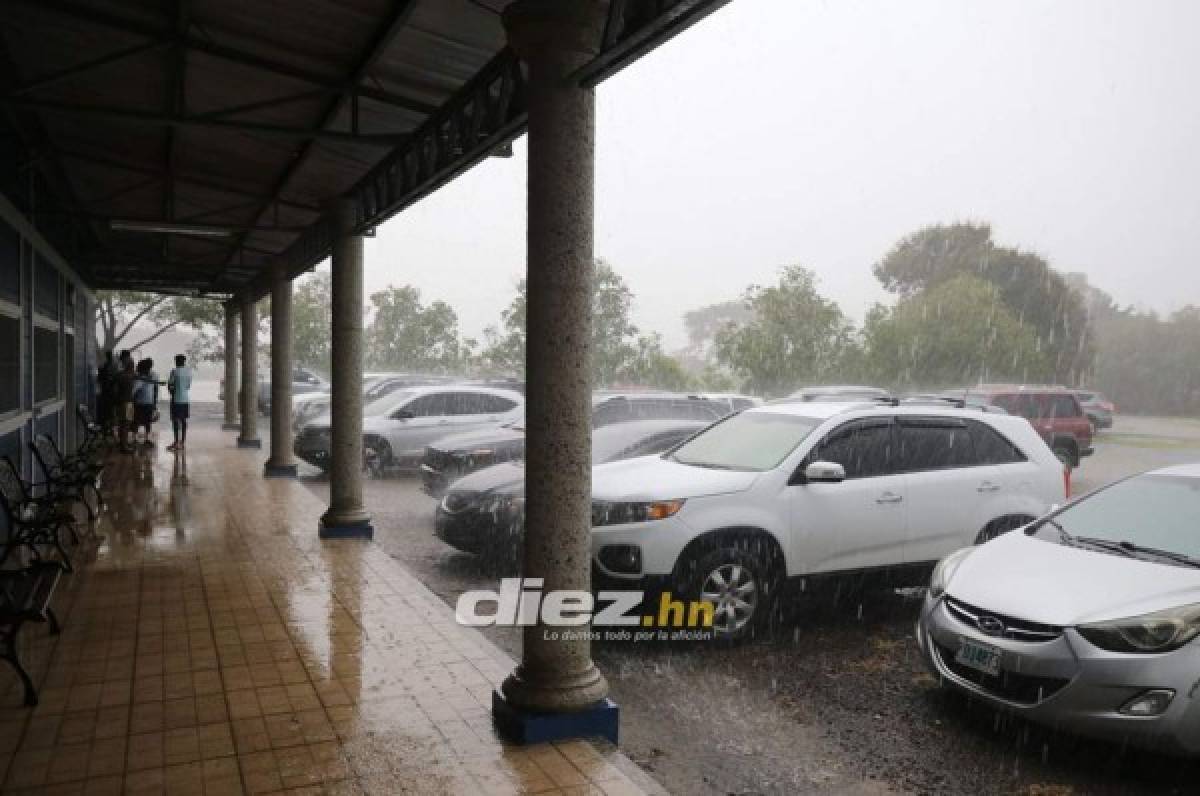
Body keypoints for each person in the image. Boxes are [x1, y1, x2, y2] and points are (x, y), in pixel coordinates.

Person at [166, 354, 192, 452]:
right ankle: (182, 442)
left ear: (176, 361)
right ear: (184, 361)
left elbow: (170, 385)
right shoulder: (189, 371)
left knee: (175, 421)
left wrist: (172, 392)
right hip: (185, 399)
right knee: (184, 420)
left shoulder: (174, 371)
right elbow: (188, 386)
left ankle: (176, 442)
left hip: (176, 399)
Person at [132, 358, 160, 447]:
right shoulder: (141, 378)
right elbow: (133, 391)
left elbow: (133, 392)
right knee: (142, 422)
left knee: (142, 421)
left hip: (144, 403)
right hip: (143, 403)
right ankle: (140, 439)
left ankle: (142, 439)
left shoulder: (146, 377)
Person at [115, 351, 136, 453]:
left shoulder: (123, 374)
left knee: (123, 423)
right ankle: (124, 446)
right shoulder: (125, 375)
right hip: (126, 401)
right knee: (125, 424)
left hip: (125, 401)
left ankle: (123, 443)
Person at [97, 351, 116, 436]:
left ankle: (108, 429)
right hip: (109, 393)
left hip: (107, 393)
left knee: (107, 412)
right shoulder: (112, 366)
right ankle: (109, 429)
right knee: (109, 412)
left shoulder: (106, 366)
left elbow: (100, 379)